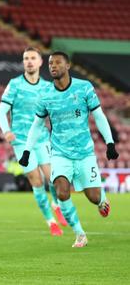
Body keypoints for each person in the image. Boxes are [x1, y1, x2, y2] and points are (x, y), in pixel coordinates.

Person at [19, 51, 119, 248]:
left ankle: (101, 199)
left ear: (68, 66)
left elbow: (99, 116)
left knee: (93, 197)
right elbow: (37, 125)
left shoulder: (84, 88)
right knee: (62, 191)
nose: (53, 66)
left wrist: (110, 143)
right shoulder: (45, 96)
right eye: (50, 63)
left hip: (84, 154)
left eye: (57, 63)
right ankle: (80, 234)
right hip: (59, 153)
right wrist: (27, 151)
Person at [0, 47, 67, 236]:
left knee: (52, 176)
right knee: (36, 180)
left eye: (32, 58)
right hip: (20, 140)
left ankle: (56, 205)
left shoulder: (47, 87)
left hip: (42, 138)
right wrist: (7, 131)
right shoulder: (14, 84)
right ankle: (51, 221)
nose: (29, 61)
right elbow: (1, 112)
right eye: (26, 58)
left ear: (40, 62)